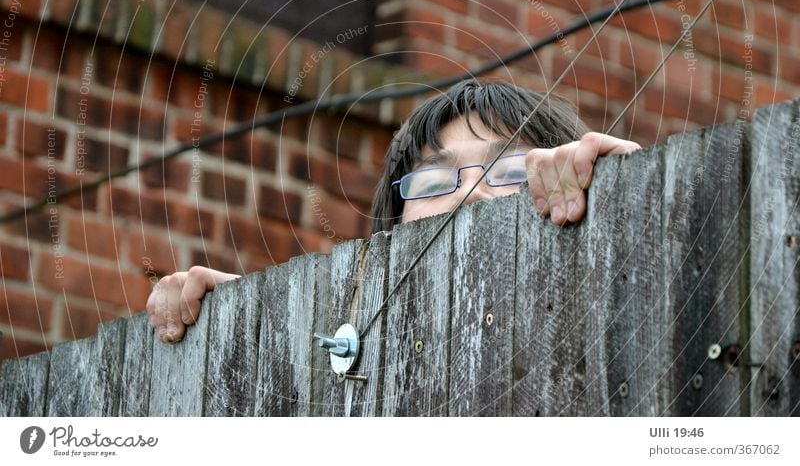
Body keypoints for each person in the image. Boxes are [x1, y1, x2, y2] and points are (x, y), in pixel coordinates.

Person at [146, 79, 641, 343]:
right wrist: (247, 317)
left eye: (511, 170)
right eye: (434, 178)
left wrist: (628, 196)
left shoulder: (615, 305)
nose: (469, 194)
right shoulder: (356, 348)